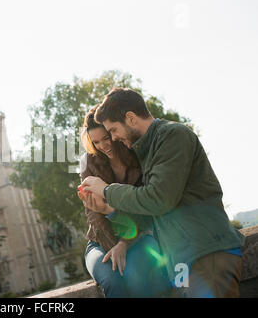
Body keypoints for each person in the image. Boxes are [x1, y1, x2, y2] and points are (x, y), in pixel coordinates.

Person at [81, 88, 245, 298]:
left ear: (130, 118)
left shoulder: (173, 136)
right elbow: (151, 212)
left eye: (113, 130)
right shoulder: (146, 149)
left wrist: (106, 190)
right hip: (182, 263)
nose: (112, 138)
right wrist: (107, 208)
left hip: (207, 254)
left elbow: (159, 199)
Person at [79, 104, 171, 298]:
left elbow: (145, 208)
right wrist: (115, 243)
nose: (104, 146)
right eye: (96, 143)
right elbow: (94, 215)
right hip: (100, 241)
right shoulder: (89, 163)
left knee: (135, 276)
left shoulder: (137, 155)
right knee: (112, 281)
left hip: (139, 235)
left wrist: (124, 243)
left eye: (106, 137)